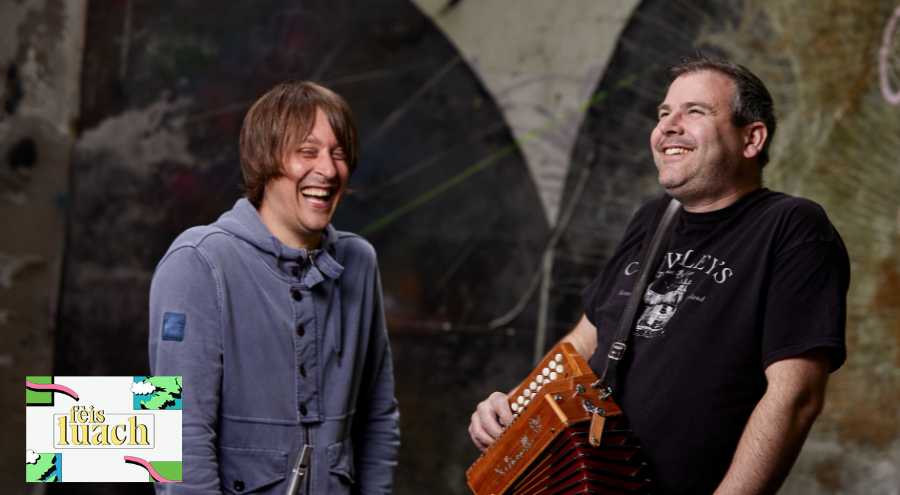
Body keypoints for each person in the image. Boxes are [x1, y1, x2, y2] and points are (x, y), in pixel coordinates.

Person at [469, 58, 849, 495]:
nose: (668, 125)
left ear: (752, 138)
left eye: (695, 111)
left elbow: (795, 398)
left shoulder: (792, 226)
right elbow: (585, 342)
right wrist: (514, 403)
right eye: (664, 113)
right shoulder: (653, 218)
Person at [149, 81, 400, 494]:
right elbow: (179, 433)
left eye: (339, 153)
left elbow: (378, 417)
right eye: (308, 151)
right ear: (264, 159)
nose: (328, 169)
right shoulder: (199, 262)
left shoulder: (359, 262)